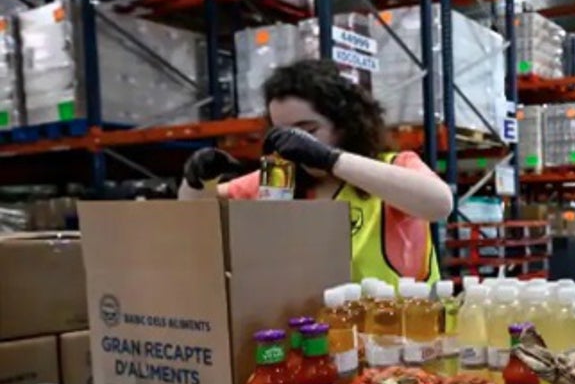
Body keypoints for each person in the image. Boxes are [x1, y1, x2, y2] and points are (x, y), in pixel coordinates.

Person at [179, 59, 453, 283]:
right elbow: (195, 216)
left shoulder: (394, 167)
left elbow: (439, 204)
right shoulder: (278, 180)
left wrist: (331, 159)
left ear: (345, 124)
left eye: (308, 131)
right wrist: (195, 181)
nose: (295, 145)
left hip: (398, 337)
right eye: (283, 133)